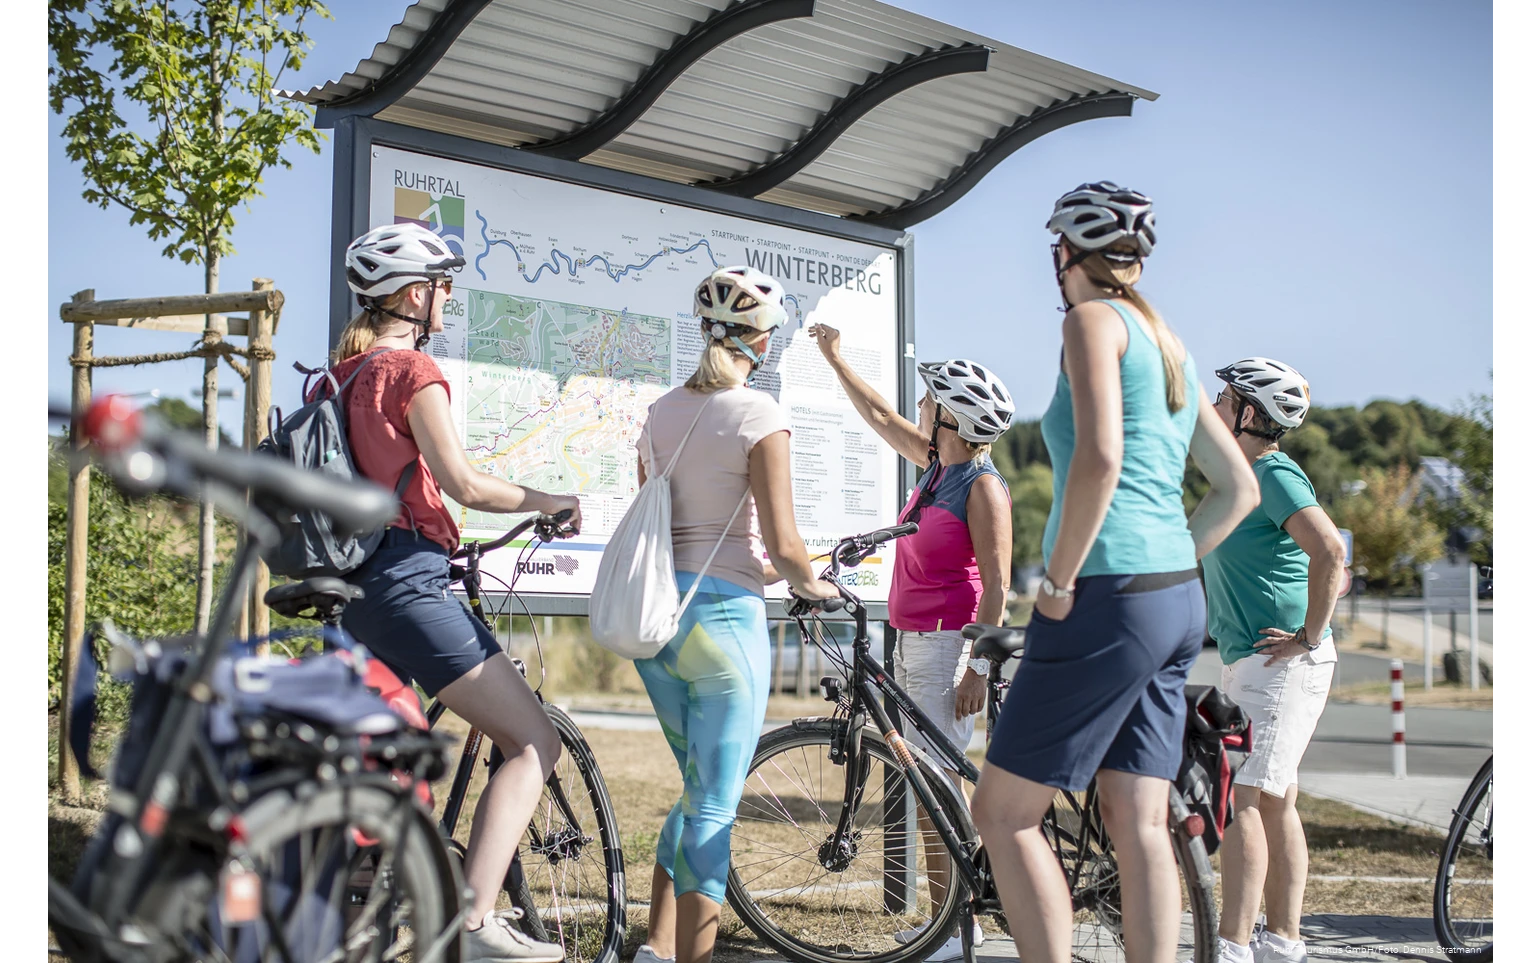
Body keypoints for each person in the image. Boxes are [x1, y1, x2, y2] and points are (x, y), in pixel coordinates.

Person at [970, 182, 1260, 963]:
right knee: (1138, 821)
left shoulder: (1090, 321)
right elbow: (1238, 488)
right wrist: (1166, 561)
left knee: (1002, 813)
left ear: (1064, 252)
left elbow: (1099, 458)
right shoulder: (1169, 342)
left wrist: (1059, 580)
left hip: (1105, 595)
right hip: (1173, 597)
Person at [330, 222, 583, 963]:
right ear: (416, 294)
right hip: (408, 583)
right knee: (535, 739)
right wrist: (549, 500)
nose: (450, 298)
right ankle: (470, 926)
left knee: (386, 758)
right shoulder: (409, 371)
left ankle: (357, 920)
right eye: (444, 285)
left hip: (353, 588)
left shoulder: (338, 375)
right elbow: (466, 482)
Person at [630, 266, 839, 963]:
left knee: (698, 789)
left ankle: (657, 948)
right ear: (765, 341)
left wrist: (783, 567)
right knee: (714, 805)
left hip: (660, 628)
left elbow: (676, 532)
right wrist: (819, 584)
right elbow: (781, 543)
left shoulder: (659, 412)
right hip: (723, 630)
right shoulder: (759, 414)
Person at [808, 330, 1015, 960]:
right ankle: (949, 923)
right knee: (931, 785)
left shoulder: (979, 485)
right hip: (915, 644)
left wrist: (978, 666)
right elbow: (877, 415)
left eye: (930, 399)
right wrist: (834, 359)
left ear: (952, 415)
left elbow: (1000, 585)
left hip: (948, 647)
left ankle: (954, 930)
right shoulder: (937, 465)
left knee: (937, 790)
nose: (920, 405)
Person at [1205, 358, 1345, 963]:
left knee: (1244, 800)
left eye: (1224, 398)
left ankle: (1233, 947)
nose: (1215, 404)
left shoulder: (1273, 473)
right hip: (1252, 662)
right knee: (1277, 799)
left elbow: (1331, 551)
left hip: (1282, 663)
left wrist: (1308, 637)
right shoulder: (1241, 475)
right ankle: (1283, 943)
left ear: (1249, 414)